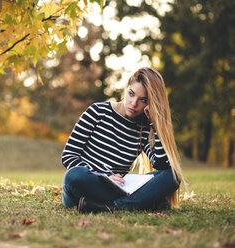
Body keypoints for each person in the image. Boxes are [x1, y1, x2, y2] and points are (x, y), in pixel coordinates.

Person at [61, 67, 185, 213]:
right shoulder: (97, 111)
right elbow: (68, 156)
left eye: (143, 100)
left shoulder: (143, 128)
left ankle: (112, 207)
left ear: (151, 104)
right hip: (87, 185)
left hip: (120, 188)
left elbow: (160, 164)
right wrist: (105, 177)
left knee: (173, 175)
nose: (133, 103)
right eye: (131, 94)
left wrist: (155, 123)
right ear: (126, 89)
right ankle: (140, 203)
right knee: (74, 176)